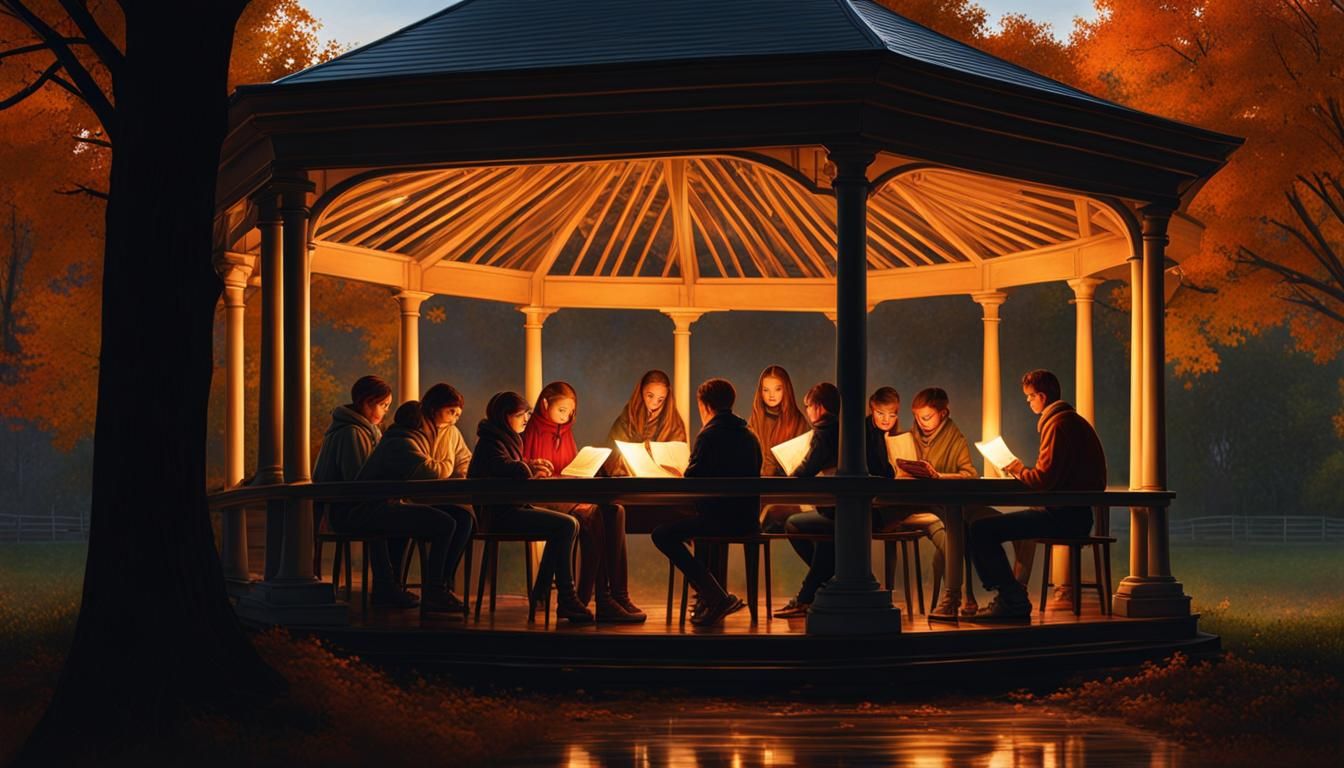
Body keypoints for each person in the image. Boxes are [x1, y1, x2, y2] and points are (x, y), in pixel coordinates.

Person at [969, 369, 1107, 621]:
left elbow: (1043, 479)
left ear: (1042, 396)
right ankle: (1013, 595)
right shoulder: (1072, 421)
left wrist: (1016, 468)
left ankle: (1011, 600)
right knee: (993, 527)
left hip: (1064, 517)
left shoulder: (1057, 425)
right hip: (1076, 514)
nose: (1028, 401)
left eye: (1030, 396)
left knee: (981, 530)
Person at [522, 381, 645, 622]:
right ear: (545, 403)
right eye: (561, 410)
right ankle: (593, 598)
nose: (566, 416)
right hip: (543, 498)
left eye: (570, 412)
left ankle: (617, 595)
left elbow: (569, 468)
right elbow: (521, 465)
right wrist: (533, 467)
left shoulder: (566, 432)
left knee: (615, 510)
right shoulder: (529, 429)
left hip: (567, 494)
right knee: (594, 515)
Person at [339, 399, 475, 614]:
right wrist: (449, 456)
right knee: (445, 523)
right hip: (368, 511)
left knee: (452, 518)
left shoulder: (401, 439)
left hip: (376, 507)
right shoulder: (401, 443)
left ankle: (420, 587)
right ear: (421, 424)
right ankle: (434, 591)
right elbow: (431, 472)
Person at [469, 391, 592, 623]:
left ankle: (544, 593)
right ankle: (565, 597)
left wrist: (531, 463)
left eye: (527, 414)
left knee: (570, 525)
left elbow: (510, 466)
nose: (526, 419)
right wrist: (529, 468)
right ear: (504, 416)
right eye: (520, 415)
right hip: (499, 516)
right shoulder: (490, 442)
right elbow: (506, 467)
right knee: (566, 526)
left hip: (510, 510)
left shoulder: (502, 438)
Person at [651, 378, 762, 627]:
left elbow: (693, 481)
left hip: (719, 519)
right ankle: (711, 597)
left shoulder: (709, 435)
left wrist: (681, 472)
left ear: (705, 406)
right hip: (747, 519)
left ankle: (714, 595)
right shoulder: (750, 435)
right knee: (693, 527)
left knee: (662, 534)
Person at [893, 387, 998, 621]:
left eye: (927, 417)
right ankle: (960, 596)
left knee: (954, 534)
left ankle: (954, 597)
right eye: (917, 417)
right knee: (953, 535)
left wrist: (939, 476)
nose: (921, 423)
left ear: (943, 413)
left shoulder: (955, 439)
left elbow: (969, 474)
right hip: (916, 505)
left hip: (945, 506)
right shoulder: (910, 437)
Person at [774, 382, 841, 619]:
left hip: (836, 512)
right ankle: (818, 589)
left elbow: (807, 468)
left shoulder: (824, 430)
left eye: (809, 407)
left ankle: (811, 593)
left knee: (794, 524)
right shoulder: (845, 429)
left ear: (819, 407)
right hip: (851, 510)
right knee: (824, 540)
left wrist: (791, 474)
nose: (808, 412)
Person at [750, 365, 811, 533]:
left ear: (786, 390)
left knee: (771, 513)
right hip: (759, 487)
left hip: (788, 490)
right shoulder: (755, 419)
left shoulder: (797, 421)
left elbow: (805, 462)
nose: (771, 395)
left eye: (777, 389)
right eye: (766, 390)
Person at [602, 369, 688, 476]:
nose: (654, 403)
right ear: (641, 392)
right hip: (629, 480)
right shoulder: (627, 419)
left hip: (662, 482)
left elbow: (678, 461)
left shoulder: (674, 424)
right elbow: (611, 458)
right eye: (650, 396)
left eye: (660, 399)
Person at [313, 374, 392, 484]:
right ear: (366, 402)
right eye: (383, 405)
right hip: (340, 495)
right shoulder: (352, 433)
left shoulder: (363, 430)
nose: (386, 410)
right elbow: (359, 483)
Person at [865, 386, 901, 480]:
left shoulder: (898, 435)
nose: (886, 420)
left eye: (892, 415)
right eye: (880, 413)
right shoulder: (864, 433)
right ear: (872, 411)